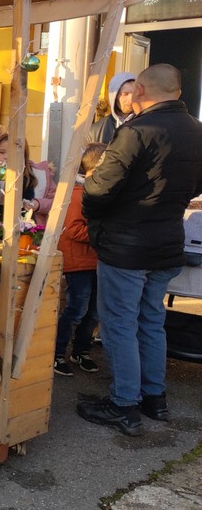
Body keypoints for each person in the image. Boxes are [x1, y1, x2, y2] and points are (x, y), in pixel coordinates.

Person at [79, 63, 202, 436]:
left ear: (141, 92)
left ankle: (124, 404)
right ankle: (153, 398)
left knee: (119, 323)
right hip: (167, 241)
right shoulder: (196, 130)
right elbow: (196, 187)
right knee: (150, 320)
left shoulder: (136, 131)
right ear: (177, 91)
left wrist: (95, 215)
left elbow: (98, 189)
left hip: (127, 245)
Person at [53, 143, 107, 377]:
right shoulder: (78, 194)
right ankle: (56, 353)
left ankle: (81, 351)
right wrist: (104, 233)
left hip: (96, 261)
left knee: (93, 312)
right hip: (79, 263)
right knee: (77, 309)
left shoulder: (97, 193)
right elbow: (73, 229)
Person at [0, 134, 55, 224]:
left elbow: (55, 203)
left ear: (24, 154)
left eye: (12, 152)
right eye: (2, 152)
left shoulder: (40, 175)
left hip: (31, 228)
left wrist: (38, 204)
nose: (6, 157)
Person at [89, 71, 136, 144]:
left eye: (135, 93)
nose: (131, 99)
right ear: (114, 96)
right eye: (125, 94)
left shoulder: (148, 126)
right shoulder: (96, 131)